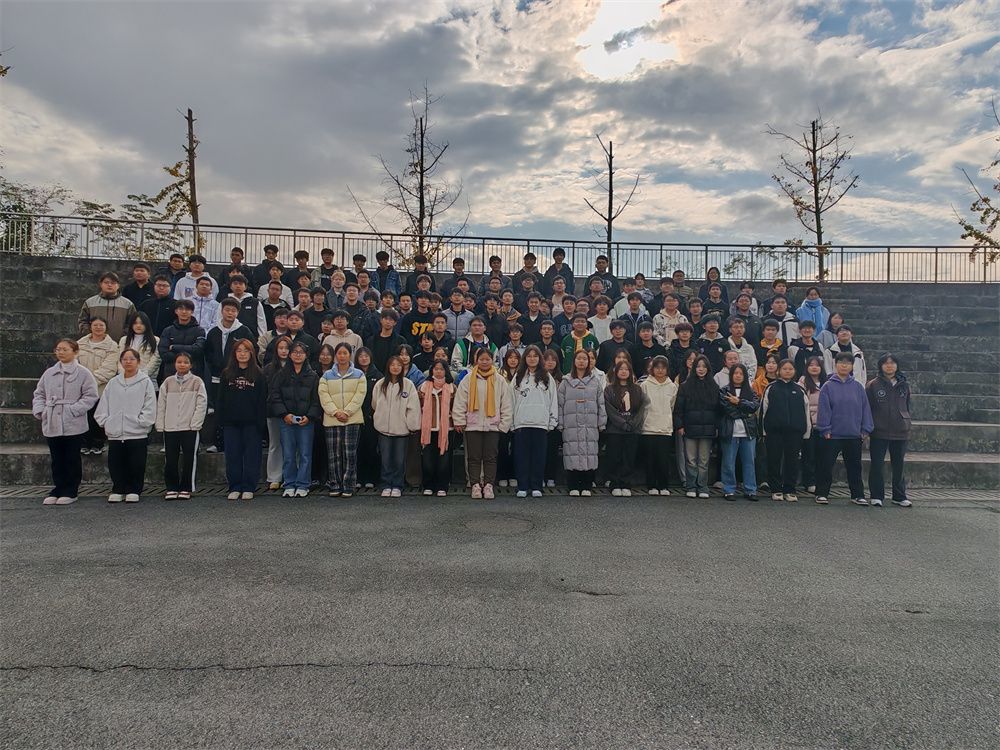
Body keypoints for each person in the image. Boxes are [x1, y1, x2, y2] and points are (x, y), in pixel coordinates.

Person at [32, 338, 99, 505]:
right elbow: (39, 394)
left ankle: (71, 489)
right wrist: (41, 411)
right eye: (58, 349)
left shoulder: (83, 373)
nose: (60, 352)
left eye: (65, 349)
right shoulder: (49, 373)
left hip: (73, 421)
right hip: (52, 419)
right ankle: (58, 487)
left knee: (71, 457)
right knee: (56, 458)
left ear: (75, 352)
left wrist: (73, 410)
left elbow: (91, 396)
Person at [94, 348, 157, 503]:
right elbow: (103, 404)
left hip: (137, 432)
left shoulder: (145, 382)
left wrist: (142, 422)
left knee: (136, 463)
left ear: (138, 362)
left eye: (132, 359)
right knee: (115, 462)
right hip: (115, 431)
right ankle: (118, 488)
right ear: (120, 362)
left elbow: (150, 405)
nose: (128, 362)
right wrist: (106, 422)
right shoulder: (114, 382)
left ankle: (134, 489)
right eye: (125, 359)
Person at [452, 347, 514, 499]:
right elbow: (460, 401)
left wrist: (503, 425)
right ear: (476, 360)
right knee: (473, 457)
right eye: (482, 359)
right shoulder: (468, 379)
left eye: (488, 359)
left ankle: (488, 485)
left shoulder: (499, 380)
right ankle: (474, 484)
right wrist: (459, 420)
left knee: (490, 457)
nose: (485, 362)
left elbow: (506, 403)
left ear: (492, 360)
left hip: (493, 425)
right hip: (472, 425)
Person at [814, 352, 874, 506]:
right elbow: (824, 409)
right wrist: (825, 429)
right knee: (826, 465)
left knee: (855, 467)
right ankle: (821, 493)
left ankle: (857, 495)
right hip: (832, 435)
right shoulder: (828, 386)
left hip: (853, 435)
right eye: (841, 362)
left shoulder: (858, 387)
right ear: (836, 365)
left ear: (852, 366)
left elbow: (865, 409)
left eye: (848, 363)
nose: (844, 366)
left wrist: (866, 429)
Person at [267, 340, 321, 497]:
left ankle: (303, 484)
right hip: (286, 420)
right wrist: (284, 414)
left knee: (305, 454)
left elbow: (316, 400)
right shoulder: (281, 375)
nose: (298, 355)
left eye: (301, 352)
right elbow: (275, 396)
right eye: (295, 352)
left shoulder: (313, 376)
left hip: (306, 421)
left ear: (306, 355)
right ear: (290, 355)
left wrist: (309, 416)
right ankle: (289, 483)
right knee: (288, 454)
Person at [217, 338, 267, 501]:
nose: (242, 354)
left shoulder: (259, 374)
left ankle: (249, 486)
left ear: (252, 353)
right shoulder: (226, 374)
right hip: (231, 423)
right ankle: (235, 486)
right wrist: (222, 420)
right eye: (239, 351)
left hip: (252, 423)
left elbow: (262, 401)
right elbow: (221, 399)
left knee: (252, 456)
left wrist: (260, 423)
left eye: (246, 350)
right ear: (234, 353)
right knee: (232, 455)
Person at [155, 351, 207, 500]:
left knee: (189, 458)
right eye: (179, 362)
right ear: (174, 364)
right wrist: (160, 424)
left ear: (191, 365)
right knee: (170, 458)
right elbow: (161, 404)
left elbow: (201, 403)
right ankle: (171, 487)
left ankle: (186, 487)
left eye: (185, 362)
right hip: (170, 426)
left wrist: (196, 423)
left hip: (189, 427)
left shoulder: (197, 381)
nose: (182, 364)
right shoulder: (168, 382)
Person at [509, 346, 558, 497]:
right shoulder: (518, 376)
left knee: (539, 457)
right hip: (522, 422)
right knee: (521, 456)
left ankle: (537, 486)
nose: (532, 359)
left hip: (540, 423)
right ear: (525, 358)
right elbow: (511, 400)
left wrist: (552, 421)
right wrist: (511, 421)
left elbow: (553, 400)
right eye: (529, 356)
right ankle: (522, 486)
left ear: (539, 358)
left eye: (535, 356)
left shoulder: (546, 377)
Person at [761, 359, 811, 502]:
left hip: (795, 432)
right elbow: (763, 410)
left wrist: (806, 432)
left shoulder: (800, 389)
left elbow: (806, 411)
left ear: (794, 371)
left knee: (792, 461)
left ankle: (790, 489)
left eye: (790, 369)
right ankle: (776, 489)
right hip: (774, 432)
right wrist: (763, 431)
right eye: (784, 369)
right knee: (774, 460)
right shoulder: (771, 388)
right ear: (778, 371)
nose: (787, 371)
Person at [558, 350, 606, 496]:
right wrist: (560, 423)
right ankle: (573, 485)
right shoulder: (566, 382)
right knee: (572, 452)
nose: (581, 361)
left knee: (589, 453)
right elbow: (560, 405)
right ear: (574, 361)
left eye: (585, 359)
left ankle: (586, 485)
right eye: (579, 358)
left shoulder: (595, 381)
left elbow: (601, 404)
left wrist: (601, 422)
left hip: (590, 424)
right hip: (570, 425)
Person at [372, 355, 422, 497]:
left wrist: (411, 425)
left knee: (399, 460)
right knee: (386, 459)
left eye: (398, 365)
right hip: (384, 430)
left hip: (402, 430)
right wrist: (379, 418)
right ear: (388, 366)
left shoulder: (408, 385)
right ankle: (386, 484)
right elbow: (374, 404)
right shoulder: (380, 384)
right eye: (392, 365)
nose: (395, 367)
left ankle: (398, 485)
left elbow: (413, 407)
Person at [866, 353, 912, 508]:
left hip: (900, 430)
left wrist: (906, 421)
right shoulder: (873, 384)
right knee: (877, 464)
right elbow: (868, 407)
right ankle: (876, 495)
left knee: (899, 465)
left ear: (897, 366)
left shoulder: (904, 385)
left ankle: (899, 496)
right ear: (881, 366)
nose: (889, 366)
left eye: (892, 363)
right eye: (886, 363)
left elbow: (907, 405)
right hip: (879, 430)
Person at [673, 355, 719, 498]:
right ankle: (691, 486)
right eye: (698, 366)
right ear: (694, 368)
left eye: (704, 366)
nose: (701, 369)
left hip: (707, 429)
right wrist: (680, 426)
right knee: (691, 459)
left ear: (708, 369)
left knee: (704, 460)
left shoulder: (714, 386)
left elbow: (718, 410)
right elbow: (678, 409)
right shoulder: (685, 386)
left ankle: (703, 486)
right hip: (689, 428)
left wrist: (716, 427)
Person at [718, 363, 760, 501]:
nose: (738, 376)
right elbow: (727, 409)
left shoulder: (751, 391)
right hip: (730, 431)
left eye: (741, 373)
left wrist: (739, 402)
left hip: (748, 432)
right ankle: (729, 489)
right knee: (728, 462)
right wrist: (745, 413)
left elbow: (754, 406)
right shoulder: (724, 391)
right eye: (735, 373)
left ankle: (750, 489)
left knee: (749, 462)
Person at [77, 317, 119, 455]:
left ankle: (98, 443)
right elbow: (75, 364)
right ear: (90, 327)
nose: (98, 328)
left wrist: (90, 381)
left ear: (106, 327)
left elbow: (109, 368)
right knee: (84, 415)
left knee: (98, 415)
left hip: (101, 387)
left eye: (101, 325)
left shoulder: (112, 346)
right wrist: (82, 382)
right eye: (95, 325)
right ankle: (84, 443)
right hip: (81, 388)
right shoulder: (80, 344)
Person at [604, 359, 645, 496]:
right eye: (621, 369)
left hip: (632, 430)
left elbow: (641, 409)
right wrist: (622, 423)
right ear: (616, 371)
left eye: (626, 369)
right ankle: (615, 484)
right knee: (614, 457)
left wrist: (633, 423)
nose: (623, 372)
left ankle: (626, 483)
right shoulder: (609, 389)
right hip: (615, 430)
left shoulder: (637, 389)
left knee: (629, 458)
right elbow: (610, 409)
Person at [637, 356, 677, 495]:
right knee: (650, 459)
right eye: (657, 367)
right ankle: (651, 485)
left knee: (663, 460)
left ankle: (663, 486)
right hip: (648, 427)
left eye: (663, 368)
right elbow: (641, 406)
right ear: (652, 369)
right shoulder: (645, 385)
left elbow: (672, 406)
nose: (660, 370)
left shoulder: (672, 386)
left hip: (665, 428)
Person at [418, 361, 456, 496]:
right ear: (431, 370)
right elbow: (419, 406)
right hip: (428, 429)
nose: (438, 371)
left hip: (446, 429)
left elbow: (456, 407)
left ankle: (442, 486)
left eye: (441, 369)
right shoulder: (424, 387)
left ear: (446, 371)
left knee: (443, 459)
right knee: (428, 459)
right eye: (436, 369)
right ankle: (428, 485)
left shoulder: (452, 388)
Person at [262, 336, 290, 491]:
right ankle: (274, 477)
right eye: (281, 348)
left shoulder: (296, 366)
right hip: (273, 412)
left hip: (292, 412)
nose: (284, 351)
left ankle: (289, 475)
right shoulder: (268, 369)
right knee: (275, 444)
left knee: (292, 445)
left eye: (287, 348)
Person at [353, 347, 383, 490]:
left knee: (372, 447)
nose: (364, 358)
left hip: (372, 417)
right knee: (357, 448)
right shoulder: (353, 374)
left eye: (366, 356)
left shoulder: (378, 375)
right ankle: (359, 477)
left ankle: (372, 477)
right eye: (361, 356)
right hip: (356, 415)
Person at [78, 271, 136, 342]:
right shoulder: (90, 302)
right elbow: (83, 321)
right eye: (106, 282)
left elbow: (132, 323)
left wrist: (124, 337)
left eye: (113, 283)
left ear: (118, 285)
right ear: (101, 284)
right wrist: (90, 334)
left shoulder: (127, 304)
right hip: (94, 343)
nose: (109, 285)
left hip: (120, 343)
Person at [797, 355, 826, 495]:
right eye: (811, 365)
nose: (814, 368)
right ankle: (809, 482)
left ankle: (821, 481)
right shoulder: (802, 383)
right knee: (809, 455)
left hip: (824, 425)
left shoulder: (827, 382)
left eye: (817, 365)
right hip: (809, 425)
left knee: (823, 455)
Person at [158, 299, 207, 380]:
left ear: (192, 312)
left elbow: (198, 350)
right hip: (171, 374)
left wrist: (174, 347)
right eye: (181, 309)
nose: (184, 312)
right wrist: (184, 359)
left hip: (193, 374)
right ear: (176, 311)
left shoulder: (199, 331)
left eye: (187, 309)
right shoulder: (168, 330)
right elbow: (164, 353)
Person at [118, 311, 161, 381]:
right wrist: (124, 374)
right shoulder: (124, 340)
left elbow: (155, 361)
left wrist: (140, 376)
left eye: (142, 323)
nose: (138, 326)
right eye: (135, 323)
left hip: (147, 379)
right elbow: (119, 359)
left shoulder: (155, 340)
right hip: (125, 378)